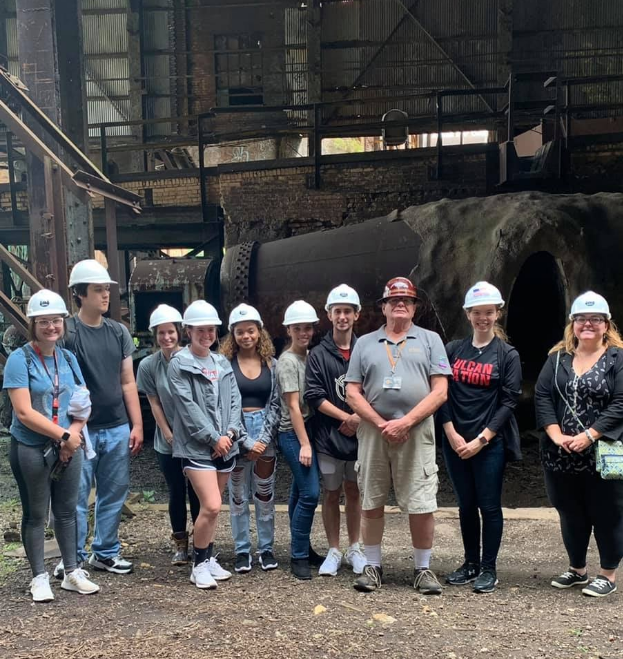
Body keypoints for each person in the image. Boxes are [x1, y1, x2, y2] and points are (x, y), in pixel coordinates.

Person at [345, 277, 451, 594]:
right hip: (373, 433)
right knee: (371, 498)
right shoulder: (364, 343)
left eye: (407, 300)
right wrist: (381, 423)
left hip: (416, 432)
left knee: (421, 501)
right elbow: (352, 392)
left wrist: (406, 422)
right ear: (383, 307)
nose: (400, 304)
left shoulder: (431, 340)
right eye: (394, 300)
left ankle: (423, 569)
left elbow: (441, 391)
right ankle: (373, 567)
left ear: (415, 307)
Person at [4, 290, 99, 601]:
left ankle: (71, 571)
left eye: (56, 321)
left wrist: (72, 435)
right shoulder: (20, 360)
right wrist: (64, 436)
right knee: (35, 513)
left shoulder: (68, 358)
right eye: (43, 322)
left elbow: (82, 400)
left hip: (67, 446)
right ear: (33, 324)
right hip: (32, 447)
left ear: (63, 323)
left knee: (68, 510)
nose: (51, 327)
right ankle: (39, 576)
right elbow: (23, 411)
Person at [56, 259, 143, 578]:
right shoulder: (67, 332)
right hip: (80, 431)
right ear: (80, 294)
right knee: (75, 495)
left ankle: (105, 553)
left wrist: (137, 423)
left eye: (107, 289)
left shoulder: (118, 331)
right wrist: (63, 432)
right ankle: (72, 559)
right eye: (98, 290)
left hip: (117, 426)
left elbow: (127, 380)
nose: (105, 295)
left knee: (113, 492)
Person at [535, 291, 623, 598]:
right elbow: (543, 396)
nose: (588, 324)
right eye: (582, 319)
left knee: (607, 512)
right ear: (573, 324)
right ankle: (577, 569)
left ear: (606, 324)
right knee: (569, 511)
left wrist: (590, 435)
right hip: (561, 453)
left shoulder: (618, 358)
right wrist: (556, 434)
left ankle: (608, 574)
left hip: (603, 453)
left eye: (595, 319)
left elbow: (621, 402)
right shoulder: (557, 358)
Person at [438, 281, 522, 594]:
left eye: (488, 312)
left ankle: (489, 568)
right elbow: (440, 392)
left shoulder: (507, 354)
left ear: (497, 313)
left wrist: (483, 439)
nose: (482, 318)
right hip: (455, 440)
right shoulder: (453, 350)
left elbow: (509, 401)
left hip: (488, 443)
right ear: (468, 314)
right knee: (465, 504)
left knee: (488, 505)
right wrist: (450, 432)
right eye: (477, 312)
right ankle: (470, 562)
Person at [169, 300, 246, 589]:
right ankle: (198, 564)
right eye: (200, 329)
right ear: (188, 331)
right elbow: (187, 408)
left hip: (226, 444)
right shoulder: (179, 364)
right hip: (197, 447)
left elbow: (235, 399)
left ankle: (208, 556)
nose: (207, 335)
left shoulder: (222, 362)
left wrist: (230, 433)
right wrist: (214, 438)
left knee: (211, 506)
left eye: (211, 329)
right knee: (212, 506)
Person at [304, 284, 367, 577]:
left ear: (356, 315)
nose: (342, 317)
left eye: (347, 311)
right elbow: (314, 396)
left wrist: (359, 419)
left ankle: (356, 547)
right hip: (328, 438)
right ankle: (333, 549)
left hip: (360, 438)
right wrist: (348, 417)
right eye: (337, 311)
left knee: (354, 491)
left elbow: (376, 388)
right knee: (331, 493)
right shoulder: (318, 354)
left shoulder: (365, 349)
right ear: (329, 315)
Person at [137, 304, 199, 565]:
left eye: (171, 332)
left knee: (198, 491)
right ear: (155, 335)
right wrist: (167, 432)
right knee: (176, 490)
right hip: (168, 441)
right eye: (161, 333)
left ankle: (202, 543)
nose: (167, 338)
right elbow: (154, 402)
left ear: (180, 332)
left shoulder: (192, 358)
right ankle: (180, 544)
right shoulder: (149, 365)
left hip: (195, 438)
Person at [221, 303, 280, 573]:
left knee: (265, 495)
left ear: (260, 333)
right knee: (237, 496)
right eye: (240, 332)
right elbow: (226, 405)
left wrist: (264, 440)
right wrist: (245, 441)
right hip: (236, 433)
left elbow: (277, 404)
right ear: (233, 334)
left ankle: (266, 549)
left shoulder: (272, 364)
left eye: (251, 331)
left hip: (265, 432)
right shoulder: (225, 365)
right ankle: (242, 550)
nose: (246, 336)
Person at [277, 300, 322, 580]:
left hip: (308, 429)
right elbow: (293, 406)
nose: (304, 333)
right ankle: (298, 556)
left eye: (308, 328)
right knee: (310, 493)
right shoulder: (288, 361)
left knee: (298, 491)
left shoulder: (309, 356)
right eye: (298, 328)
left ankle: (302, 545)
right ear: (289, 330)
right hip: (293, 433)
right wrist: (305, 444)